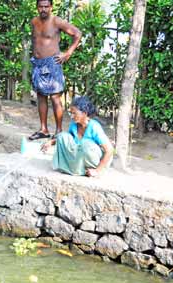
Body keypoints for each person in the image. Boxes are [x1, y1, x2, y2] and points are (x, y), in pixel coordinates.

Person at [29, 0, 82, 141]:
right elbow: (36, 41)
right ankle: (43, 129)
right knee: (40, 96)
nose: (43, 9)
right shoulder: (34, 22)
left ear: (51, 7)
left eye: (46, 6)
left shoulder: (57, 21)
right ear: (37, 7)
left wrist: (68, 52)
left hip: (53, 62)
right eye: (41, 6)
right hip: (38, 64)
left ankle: (58, 132)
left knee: (55, 98)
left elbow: (77, 33)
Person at [42, 96, 113, 176]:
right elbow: (68, 140)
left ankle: (90, 170)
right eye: (70, 113)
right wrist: (51, 142)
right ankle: (75, 168)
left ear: (84, 113)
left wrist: (97, 170)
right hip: (80, 159)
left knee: (85, 143)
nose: (71, 116)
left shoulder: (94, 127)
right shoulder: (74, 124)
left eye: (74, 113)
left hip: (96, 161)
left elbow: (110, 150)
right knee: (62, 136)